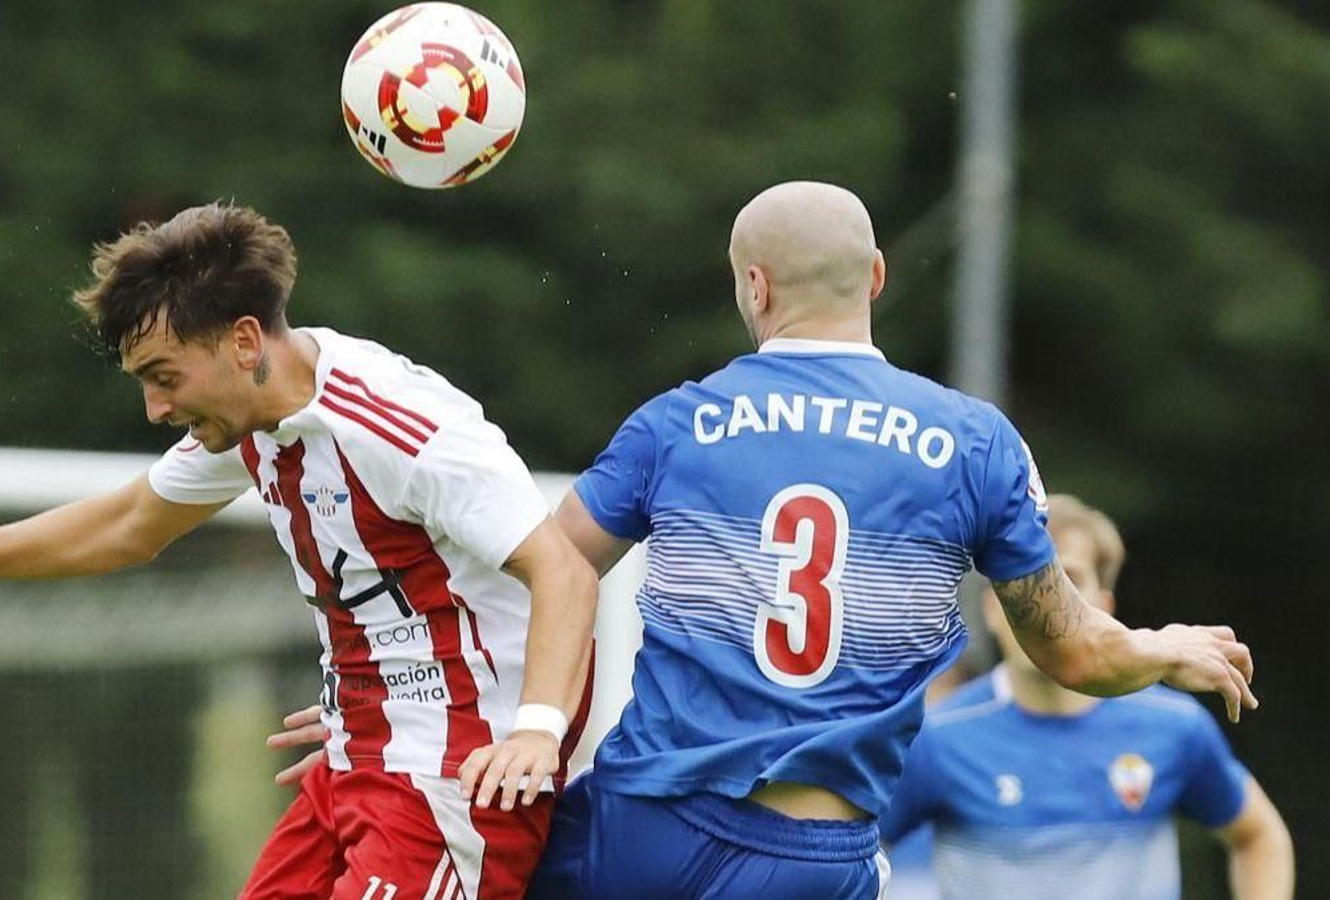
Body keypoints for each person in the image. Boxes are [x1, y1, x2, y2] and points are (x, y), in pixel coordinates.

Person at [264, 181, 1258, 898]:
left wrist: (413, 713)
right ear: (874, 275)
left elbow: (536, 574)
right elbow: (1074, 651)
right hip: (808, 858)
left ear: (753, 286)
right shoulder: (973, 443)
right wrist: (1161, 648)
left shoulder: (676, 424)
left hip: (637, 834)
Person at [0, 202, 601, 900]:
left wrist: (531, 730)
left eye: (164, 376)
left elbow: (561, 571)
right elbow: (130, 524)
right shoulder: (253, 421)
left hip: (453, 781)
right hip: (363, 758)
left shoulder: (404, 431)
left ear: (244, 342)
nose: (152, 407)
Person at [880, 494, 1294, 900]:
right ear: (992, 609)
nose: (1046, 607)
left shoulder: (1173, 725)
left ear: (1104, 611)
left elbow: (1259, 836)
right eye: (1023, 584)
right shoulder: (937, 738)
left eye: (1070, 583)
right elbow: (855, 848)